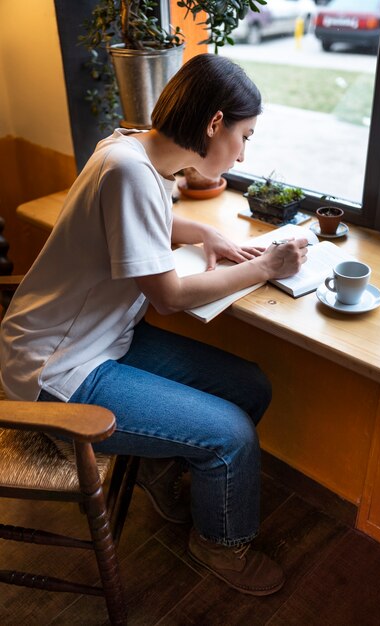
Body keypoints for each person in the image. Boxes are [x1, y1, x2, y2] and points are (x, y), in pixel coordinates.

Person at [0, 53, 308, 596]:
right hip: (55, 370)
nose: (243, 152)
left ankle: (158, 467)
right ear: (214, 124)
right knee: (230, 435)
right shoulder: (129, 171)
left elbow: (143, 216)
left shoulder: (133, 150)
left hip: (97, 341)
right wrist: (266, 266)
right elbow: (167, 296)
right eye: (246, 136)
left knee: (250, 386)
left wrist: (200, 233)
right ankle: (220, 545)